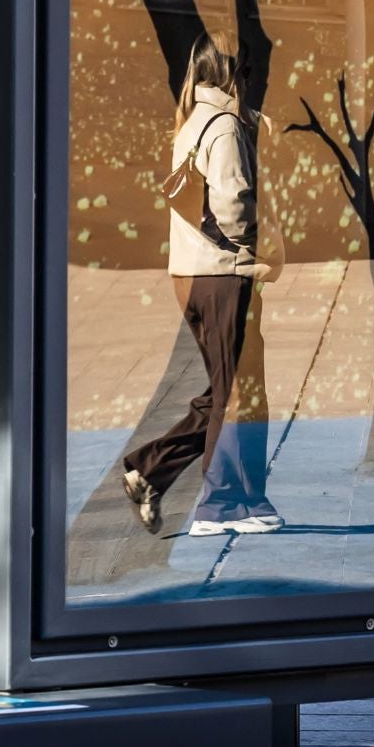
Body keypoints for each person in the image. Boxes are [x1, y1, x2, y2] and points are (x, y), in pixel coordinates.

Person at [120, 30, 283, 538]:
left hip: (192, 274)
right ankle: (220, 508)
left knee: (228, 386)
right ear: (234, 75)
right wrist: (256, 248)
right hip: (221, 272)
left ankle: (152, 470)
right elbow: (233, 205)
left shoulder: (193, 120)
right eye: (248, 75)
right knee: (237, 392)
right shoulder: (225, 126)